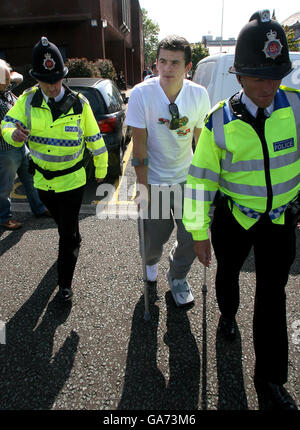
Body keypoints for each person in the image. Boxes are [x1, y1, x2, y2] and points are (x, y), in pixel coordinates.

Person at [183, 10, 299, 409]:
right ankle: (227, 314)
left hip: (281, 221)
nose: (269, 85)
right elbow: (199, 182)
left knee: (273, 297)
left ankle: (269, 378)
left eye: (276, 75)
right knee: (228, 275)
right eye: (259, 76)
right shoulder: (220, 120)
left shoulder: (297, 109)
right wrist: (199, 232)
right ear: (238, 74)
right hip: (234, 219)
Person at [1, 37, 108, 301]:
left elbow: (96, 140)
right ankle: (71, 235)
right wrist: (11, 134)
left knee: (67, 235)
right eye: (45, 81)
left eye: (56, 80)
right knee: (65, 226)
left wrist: (102, 171)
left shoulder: (80, 103)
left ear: (63, 76)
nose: (52, 86)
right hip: (42, 184)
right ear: (36, 78)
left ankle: (64, 285)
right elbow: (5, 124)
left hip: (72, 182)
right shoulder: (27, 101)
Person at [126, 35, 210, 307]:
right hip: (156, 181)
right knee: (154, 240)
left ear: (188, 67)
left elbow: (201, 145)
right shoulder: (141, 94)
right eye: (162, 61)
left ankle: (178, 277)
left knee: (190, 237)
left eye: (175, 62)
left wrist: (204, 187)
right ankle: (151, 264)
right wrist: (142, 189)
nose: (167, 68)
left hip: (187, 179)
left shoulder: (198, 95)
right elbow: (139, 148)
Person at [0, 59, 49, 230]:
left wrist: (8, 75)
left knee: (31, 180)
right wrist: (11, 131)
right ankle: (4, 217)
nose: (8, 83)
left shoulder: (6, 92)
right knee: (5, 187)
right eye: (5, 80)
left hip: (21, 147)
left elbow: (18, 78)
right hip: (5, 151)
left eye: (8, 80)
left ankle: (39, 208)